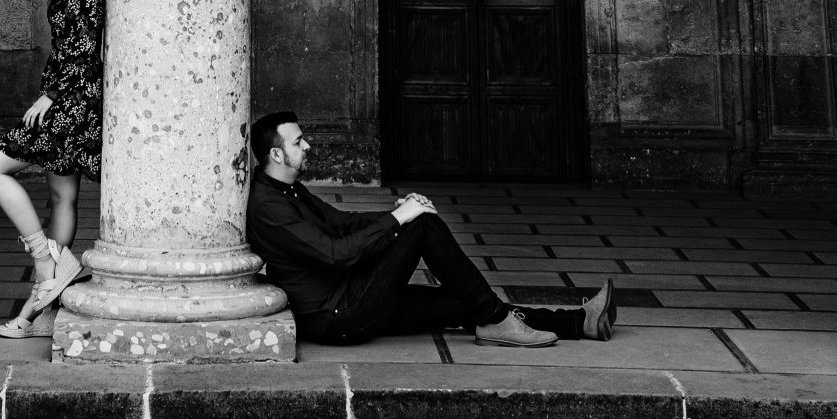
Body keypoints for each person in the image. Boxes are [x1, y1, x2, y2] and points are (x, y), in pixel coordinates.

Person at [243, 110, 613, 347]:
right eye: (298, 141)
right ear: (277, 154)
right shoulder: (270, 208)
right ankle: (497, 319)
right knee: (422, 227)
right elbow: (335, 254)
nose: (307, 145)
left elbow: (343, 223)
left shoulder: (288, 189)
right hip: (339, 316)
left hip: (354, 295)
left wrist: (399, 210)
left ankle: (580, 322)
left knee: (465, 302)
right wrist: (402, 220)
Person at [0, 0, 105, 338]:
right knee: (60, 196)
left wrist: (50, 96)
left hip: (72, 99)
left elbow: (85, 47)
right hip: (74, 95)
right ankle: (41, 303)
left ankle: (42, 258)